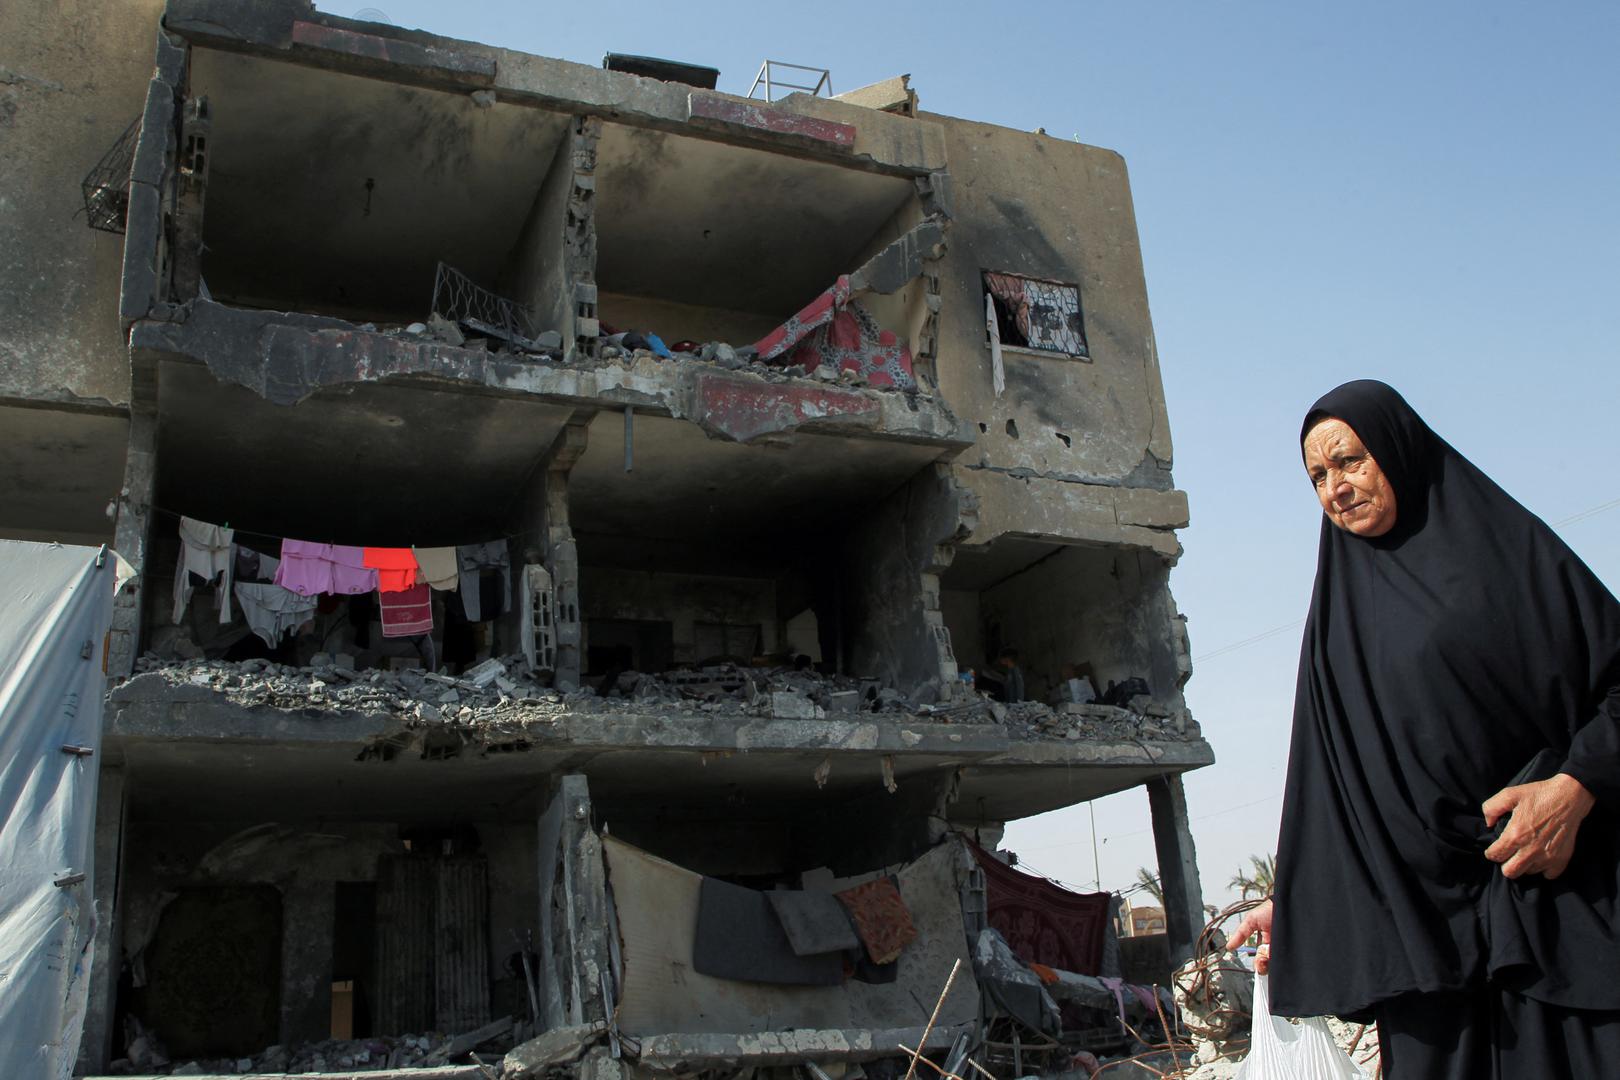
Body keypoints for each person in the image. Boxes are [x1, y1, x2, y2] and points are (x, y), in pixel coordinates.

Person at [1228, 380, 1620, 1078]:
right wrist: (1294, 903)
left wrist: (1576, 786)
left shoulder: (1509, 556)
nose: (1336, 487)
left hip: (1555, 909)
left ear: (1398, 448)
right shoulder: (1337, 623)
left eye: (1349, 461)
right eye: (1317, 476)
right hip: (1424, 947)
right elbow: (1336, 789)